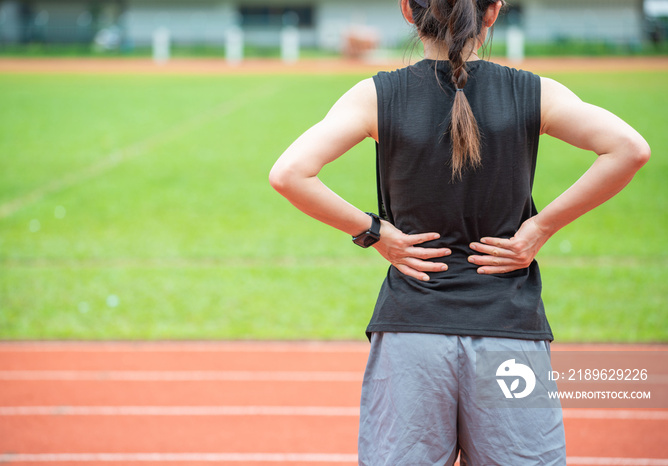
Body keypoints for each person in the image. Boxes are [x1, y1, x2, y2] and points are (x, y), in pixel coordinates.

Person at [269, 0, 650, 464]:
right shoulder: (534, 92)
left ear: (408, 11)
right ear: (492, 13)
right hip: (508, 333)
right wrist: (540, 227)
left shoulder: (375, 96)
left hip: (413, 331)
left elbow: (289, 174)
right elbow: (629, 149)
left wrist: (375, 232)